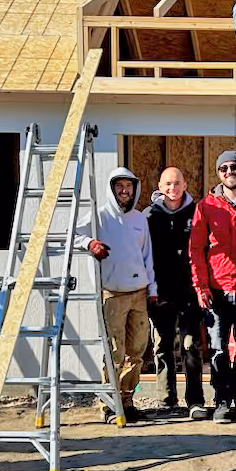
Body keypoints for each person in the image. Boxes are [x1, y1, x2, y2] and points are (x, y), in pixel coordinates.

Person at [75, 167, 156, 423]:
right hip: (113, 294)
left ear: (135, 189)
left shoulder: (139, 219)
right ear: (112, 189)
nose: (124, 190)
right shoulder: (99, 216)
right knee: (114, 352)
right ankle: (109, 405)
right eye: (119, 186)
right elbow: (75, 234)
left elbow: (147, 257)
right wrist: (90, 244)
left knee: (136, 352)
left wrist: (151, 289)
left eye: (128, 186)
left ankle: (127, 402)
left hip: (139, 293)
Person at [190, 150, 236, 423]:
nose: (229, 172)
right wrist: (201, 287)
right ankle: (221, 401)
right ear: (218, 174)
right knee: (218, 349)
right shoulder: (206, 206)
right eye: (223, 169)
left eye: (234, 167)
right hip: (217, 290)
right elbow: (196, 250)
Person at [146, 167, 206, 420]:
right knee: (162, 346)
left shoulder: (197, 212)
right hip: (160, 293)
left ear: (185, 184)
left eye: (177, 183)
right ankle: (166, 400)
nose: (173, 188)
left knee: (191, 347)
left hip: (190, 292)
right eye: (168, 183)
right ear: (160, 185)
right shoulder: (148, 216)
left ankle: (195, 400)